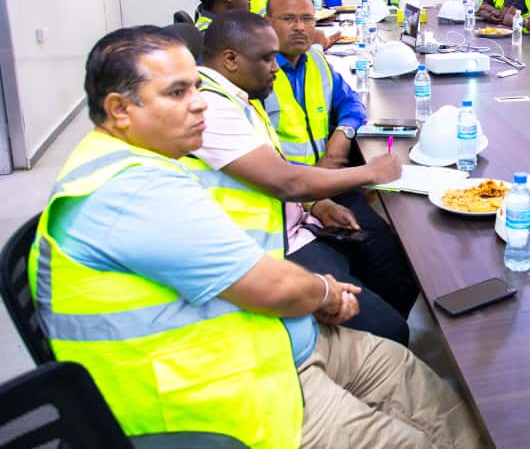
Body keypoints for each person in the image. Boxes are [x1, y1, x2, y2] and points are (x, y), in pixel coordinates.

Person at [28, 26, 483, 448]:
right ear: (119, 110)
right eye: (178, 92)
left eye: (196, 87)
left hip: (272, 341)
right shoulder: (130, 191)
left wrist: (310, 290)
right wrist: (323, 292)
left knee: (412, 376)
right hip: (236, 401)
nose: (200, 103)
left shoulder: (147, 160)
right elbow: (273, 287)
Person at [191, 11, 410, 344]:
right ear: (231, 60)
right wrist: (370, 171)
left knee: (395, 270)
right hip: (273, 248)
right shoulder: (210, 108)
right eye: (266, 58)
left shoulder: (239, 97)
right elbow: (286, 181)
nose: (275, 68)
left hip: (298, 220)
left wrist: (316, 204)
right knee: (390, 329)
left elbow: (272, 168)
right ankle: (343, 351)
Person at [262, 0, 420, 319]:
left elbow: (350, 102)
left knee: (396, 266)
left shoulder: (317, 60)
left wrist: (343, 134)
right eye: (288, 19)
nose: (300, 27)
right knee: (371, 271)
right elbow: (262, 165)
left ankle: (391, 328)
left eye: (306, 19)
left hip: (331, 183)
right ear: (267, 22)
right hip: (287, 200)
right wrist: (314, 199)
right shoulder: (258, 74)